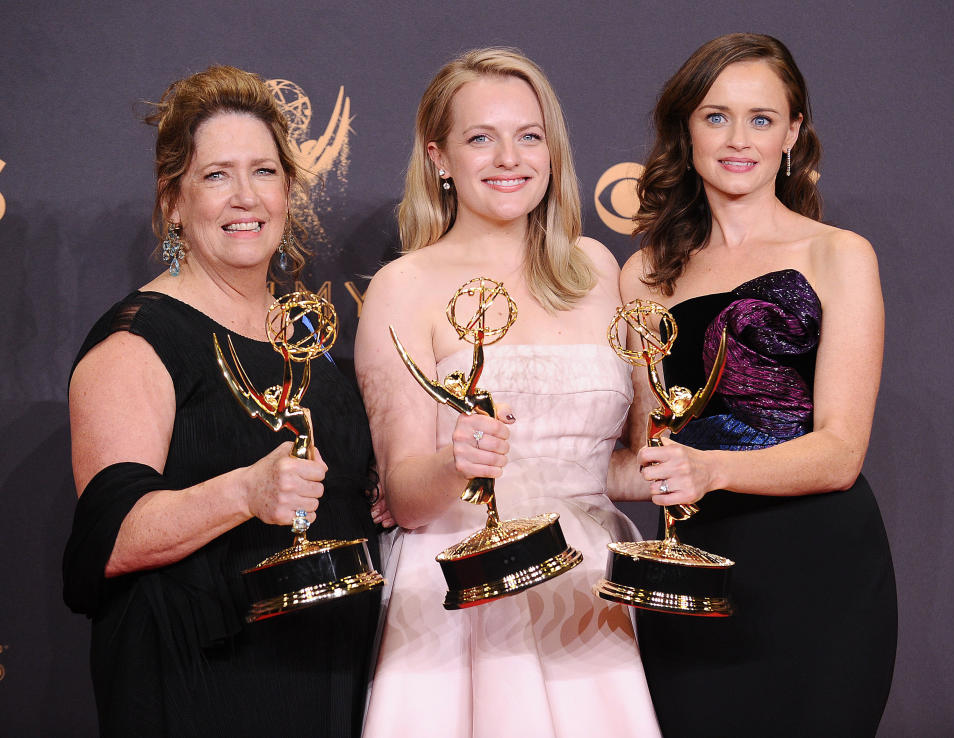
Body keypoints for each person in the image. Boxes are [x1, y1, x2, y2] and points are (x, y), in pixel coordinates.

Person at [63, 66, 381, 737]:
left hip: (328, 677)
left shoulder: (304, 336)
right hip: (200, 686)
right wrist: (244, 491)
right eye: (216, 176)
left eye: (264, 172)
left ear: (289, 191)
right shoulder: (137, 340)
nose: (245, 197)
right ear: (173, 201)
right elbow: (105, 542)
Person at [354, 48, 660, 738]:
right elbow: (404, 495)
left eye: (528, 135)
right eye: (479, 138)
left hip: (587, 588)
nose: (508, 158)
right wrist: (457, 461)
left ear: (552, 150)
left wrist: (691, 468)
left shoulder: (596, 268)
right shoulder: (404, 286)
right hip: (465, 590)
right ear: (439, 157)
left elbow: (606, 462)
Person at [610, 33, 897, 737]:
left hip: (822, 569)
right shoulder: (643, 274)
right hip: (693, 570)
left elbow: (840, 452)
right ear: (686, 128)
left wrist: (711, 467)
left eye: (761, 119)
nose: (738, 139)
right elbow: (648, 449)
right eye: (715, 116)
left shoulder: (840, 255)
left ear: (793, 132)